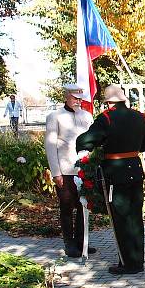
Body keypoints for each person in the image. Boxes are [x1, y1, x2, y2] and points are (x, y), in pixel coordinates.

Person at [76, 85, 145, 275]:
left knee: (120, 217)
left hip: (115, 173)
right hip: (135, 170)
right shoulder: (140, 116)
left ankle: (127, 263)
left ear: (108, 102)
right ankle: (138, 261)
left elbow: (85, 141)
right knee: (136, 217)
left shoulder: (107, 117)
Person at [45, 84, 94, 258]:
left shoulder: (87, 116)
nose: (78, 101)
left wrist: (92, 167)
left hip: (84, 169)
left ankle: (82, 241)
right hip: (65, 170)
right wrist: (56, 172)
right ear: (66, 96)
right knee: (66, 207)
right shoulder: (55, 116)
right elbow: (50, 146)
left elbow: (91, 142)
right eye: (75, 98)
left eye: (80, 98)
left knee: (84, 206)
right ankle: (69, 242)